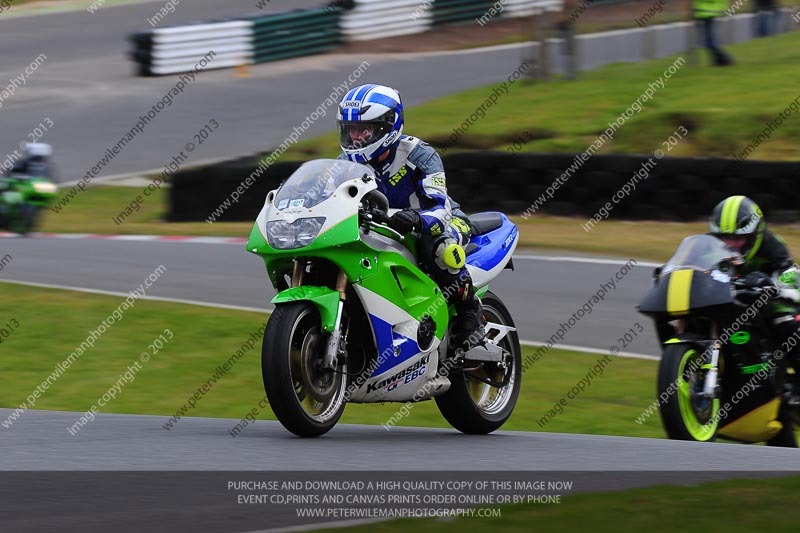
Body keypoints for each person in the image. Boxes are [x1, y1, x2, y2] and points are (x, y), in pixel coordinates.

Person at [336, 84, 484, 351]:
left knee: (441, 250)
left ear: (387, 126)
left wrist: (417, 219)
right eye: (350, 130)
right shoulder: (344, 164)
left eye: (363, 130)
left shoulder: (419, 155)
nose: (355, 138)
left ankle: (471, 318)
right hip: (382, 228)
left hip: (443, 221)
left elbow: (441, 207)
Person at [708, 195, 800, 398]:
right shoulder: (709, 245)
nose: (730, 244)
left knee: (784, 318)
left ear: (753, 235)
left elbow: (791, 274)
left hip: (766, 300)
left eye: (737, 238)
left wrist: (771, 284)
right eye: (725, 238)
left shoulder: (771, 244)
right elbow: (696, 267)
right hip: (728, 300)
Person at [692, 0, 733, 66]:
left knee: (709, 41)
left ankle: (725, 59)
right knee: (707, 41)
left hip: (709, 13)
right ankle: (718, 61)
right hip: (703, 13)